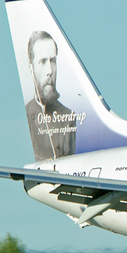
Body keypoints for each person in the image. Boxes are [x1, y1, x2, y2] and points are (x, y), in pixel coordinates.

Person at [25, 31, 77, 161]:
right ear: (31, 69)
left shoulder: (69, 116)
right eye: (42, 62)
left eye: (53, 61)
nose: (50, 71)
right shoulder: (26, 114)